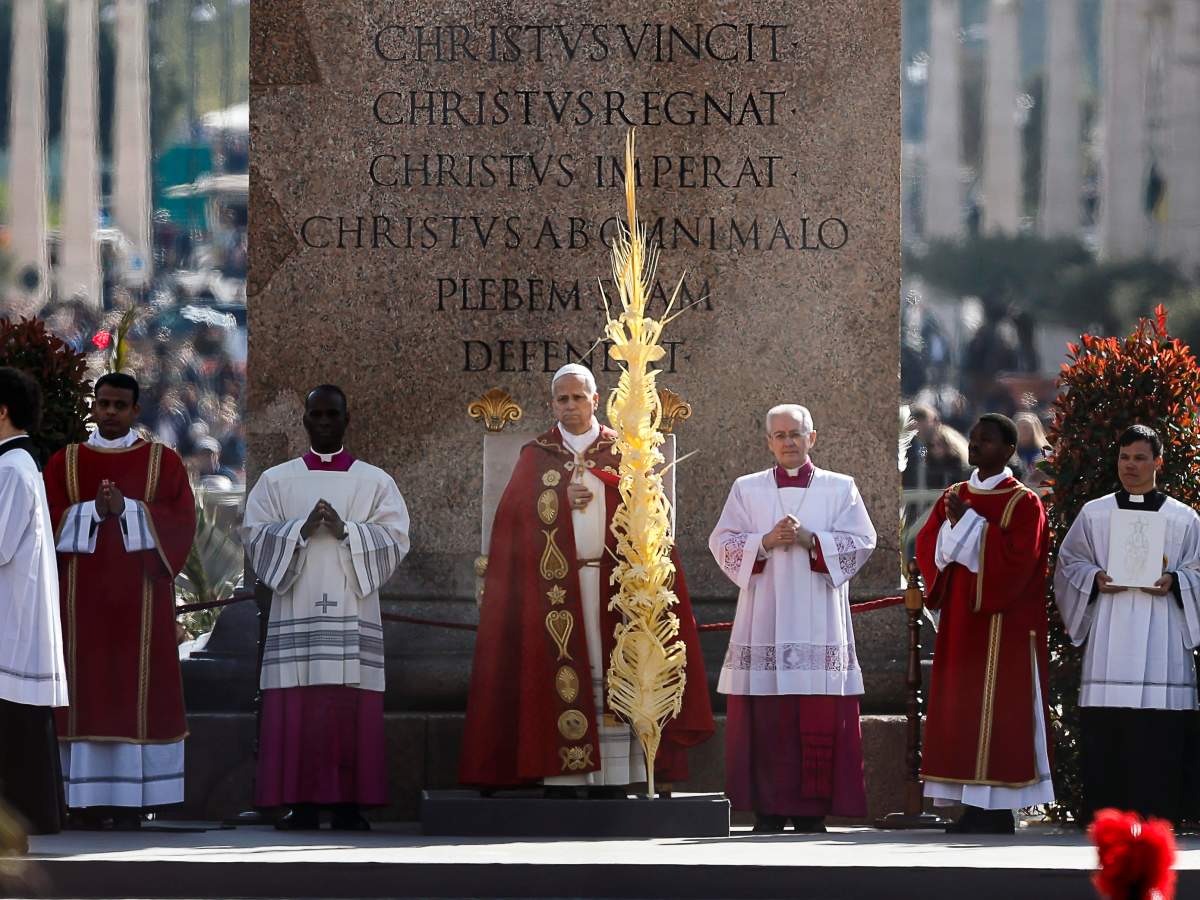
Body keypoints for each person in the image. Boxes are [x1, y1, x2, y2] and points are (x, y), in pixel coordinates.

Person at [459, 364, 713, 795]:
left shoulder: (625, 452)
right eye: (563, 398)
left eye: (579, 397)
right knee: (559, 673)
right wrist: (557, 500)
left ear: (596, 400)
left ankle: (616, 776)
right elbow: (512, 522)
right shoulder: (537, 455)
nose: (571, 405)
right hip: (556, 593)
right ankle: (562, 773)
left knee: (618, 674)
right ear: (552, 403)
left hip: (616, 590)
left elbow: (650, 519)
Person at [242, 385, 410, 830]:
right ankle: (300, 804)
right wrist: (297, 531)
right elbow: (255, 535)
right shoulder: (276, 481)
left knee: (347, 709)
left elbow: (396, 538)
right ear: (304, 421)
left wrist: (346, 531)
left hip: (352, 613)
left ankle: (349, 806)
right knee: (298, 709)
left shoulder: (376, 482)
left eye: (331, 415)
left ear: (346, 419)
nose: (323, 422)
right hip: (295, 608)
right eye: (315, 415)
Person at [709, 404, 876, 833]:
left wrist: (811, 540)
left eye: (796, 434)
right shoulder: (747, 489)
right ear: (768, 441)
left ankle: (810, 812)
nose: (788, 442)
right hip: (763, 615)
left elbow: (863, 541)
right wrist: (764, 541)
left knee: (815, 714)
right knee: (768, 718)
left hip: (819, 617)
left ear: (812, 438)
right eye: (780, 435)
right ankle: (767, 810)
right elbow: (722, 542)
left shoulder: (840, 488)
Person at [44, 373, 196, 830]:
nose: (109, 412)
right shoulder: (65, 462)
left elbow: (181, 520)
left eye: (119, 405)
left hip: (141, 602)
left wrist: (127, 509)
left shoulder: (162, 462)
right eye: (103, 404)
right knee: (84, 692)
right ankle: (82, 802)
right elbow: (44, 520)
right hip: (79, 606)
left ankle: (133, 802)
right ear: (93, 406)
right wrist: (93, 511)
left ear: (135, 411)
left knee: (135, 694)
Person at [1053, 425, 1200, 825]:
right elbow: (1069, 564)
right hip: (1111, 634)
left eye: (1139, 458)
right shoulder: (1095, 514)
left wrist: (1176, 580)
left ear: (1158, 462)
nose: (1130, 466)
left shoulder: (1183, 519)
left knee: (1158, 734)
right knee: (1110, 731)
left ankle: (1160, 815)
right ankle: (1109, 817)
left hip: (1163, 636)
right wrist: (1093, 577)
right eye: (1124, 457)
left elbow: (1198, 569)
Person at [915, 413, 1053, 834]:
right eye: (974, 439)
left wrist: (969, 525)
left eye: (987, 440)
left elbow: (1019, 561)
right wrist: (957, 529)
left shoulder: (1023, 503)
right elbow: (928, 546)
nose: (975, 445)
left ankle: (998, 810)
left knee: (1001, 712)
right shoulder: (955, 494)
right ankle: (971, 808)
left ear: (1009, 450)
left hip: (1004, 624)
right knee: (962, 710)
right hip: (961, 621)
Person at [0, 368, 68, 835]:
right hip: (16, 615)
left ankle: (23, 822)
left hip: (12, 620)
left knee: (14, 726)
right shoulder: (20, 463)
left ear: (2, 411)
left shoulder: (10, 468)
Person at [1014, 411, 1051, 486]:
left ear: (1034, 430)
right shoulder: (1009, 453)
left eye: (1026, 428)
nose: (1023, 431)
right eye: (1020, 428)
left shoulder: (1045, 451)